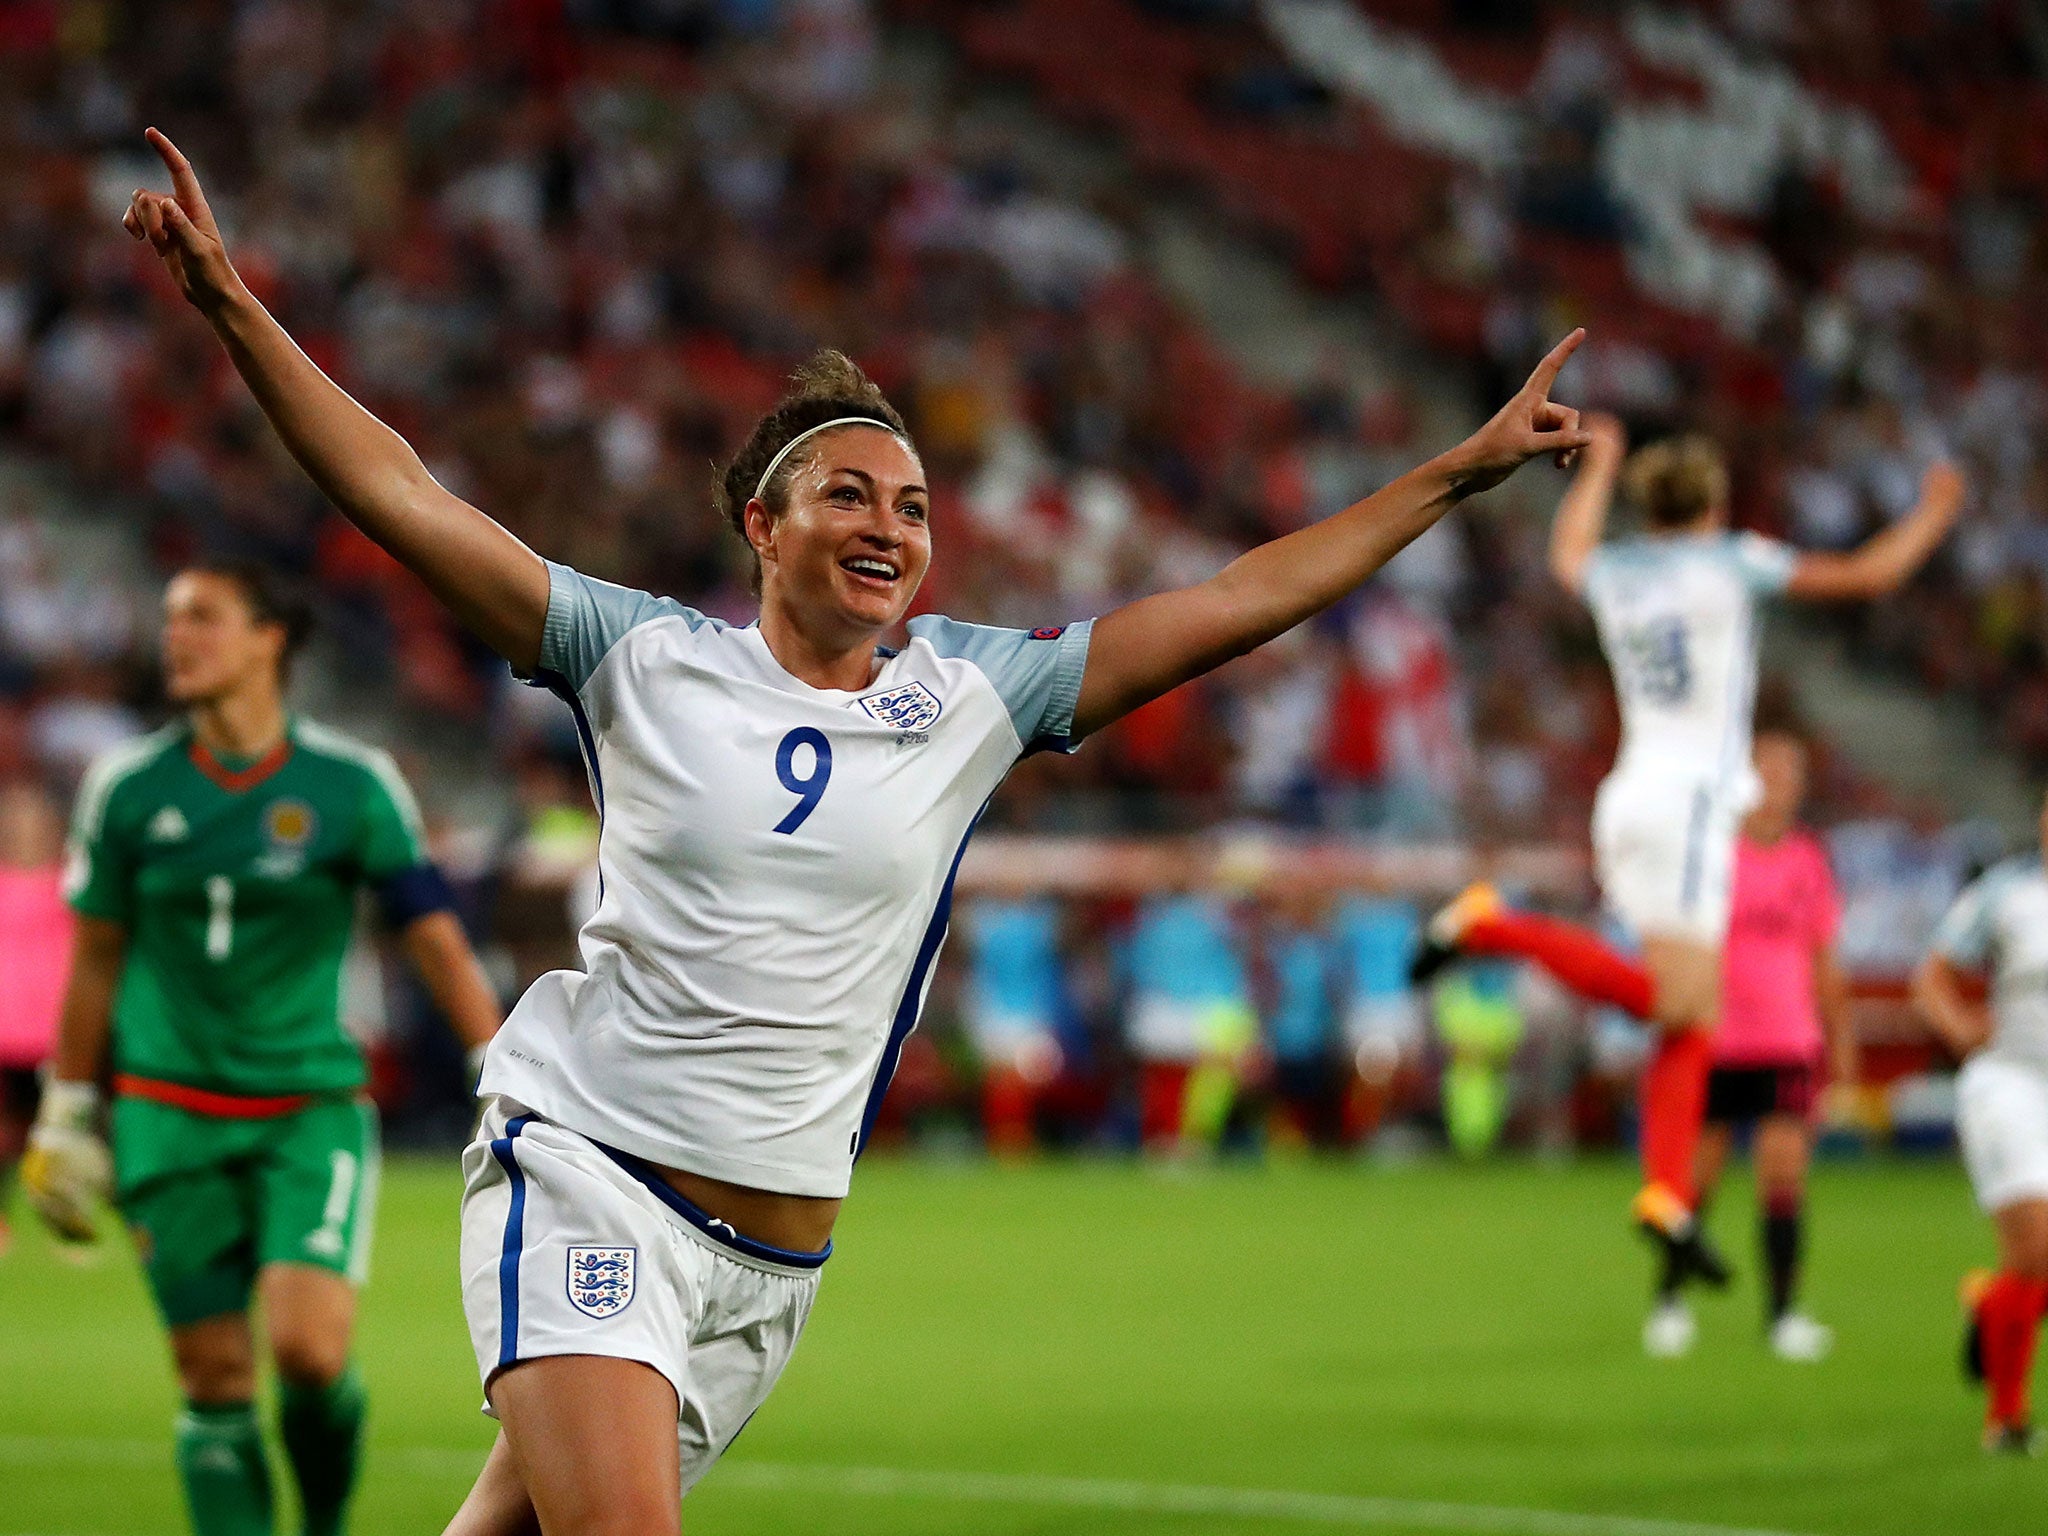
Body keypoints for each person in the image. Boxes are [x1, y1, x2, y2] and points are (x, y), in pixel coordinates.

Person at [114, 127, 1590, 1534]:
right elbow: (404, 497)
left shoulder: (974, 693)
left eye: (916, 502)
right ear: (762, 524)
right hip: (593, 1177)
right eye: (848, 494)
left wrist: (1451, 477)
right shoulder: (639, 659)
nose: (891, 524)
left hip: (774, 1261)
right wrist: (238, 310)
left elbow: (1232, 600)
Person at [1412, 413, 1961, 1297]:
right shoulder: (1732, 559)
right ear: (1714, 504)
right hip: (1696, 808)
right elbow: (1869, 574)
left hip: (1631, 795)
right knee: (1679, 1003)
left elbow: (1566, 554)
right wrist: (1936, 513)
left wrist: (1599, 470)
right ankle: (1492, 926)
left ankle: (1667, 1193)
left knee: (1685, 1018)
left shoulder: (1619, 571)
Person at [20, 559, 504, 1536]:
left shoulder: (350, 786)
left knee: (309, 1356)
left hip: (306, 1113)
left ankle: (323, 1522)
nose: (177, 637)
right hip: (165, 1118)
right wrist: (70, 1111)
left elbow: (434, 939)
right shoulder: (127, 789)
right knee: (213, 1377)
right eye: (170, 619)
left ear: (268, 639)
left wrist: (499, 1069)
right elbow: (97, 962)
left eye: (203, 616)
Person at [1643, 726, 1854, 1362]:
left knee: (1784, 1173)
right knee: (1698, 1174)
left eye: (1790, 776)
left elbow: (1824, 958)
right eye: (1767, 773)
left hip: (1788, 1037)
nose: (1777, 788)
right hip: (1716, 1036)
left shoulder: (1808, 862)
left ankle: (1784, 1315)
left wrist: (1840, 1042)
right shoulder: (1711, 858)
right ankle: (1670, 1298)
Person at [1914, 790, 2048, 1454]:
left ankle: (1992, 1306)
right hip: (2013, 1083)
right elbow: (1932, 976)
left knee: (2032, 1268)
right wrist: (1960, 1027)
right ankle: (2007, 1419)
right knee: (2036, 1248)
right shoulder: (2008, 894)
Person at [0, 778, 72, 1256]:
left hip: (53, 1033)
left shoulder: (69, 884)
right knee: (5, 1131)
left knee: (60, 1132)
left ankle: (66, 1222)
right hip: (5, 1031)